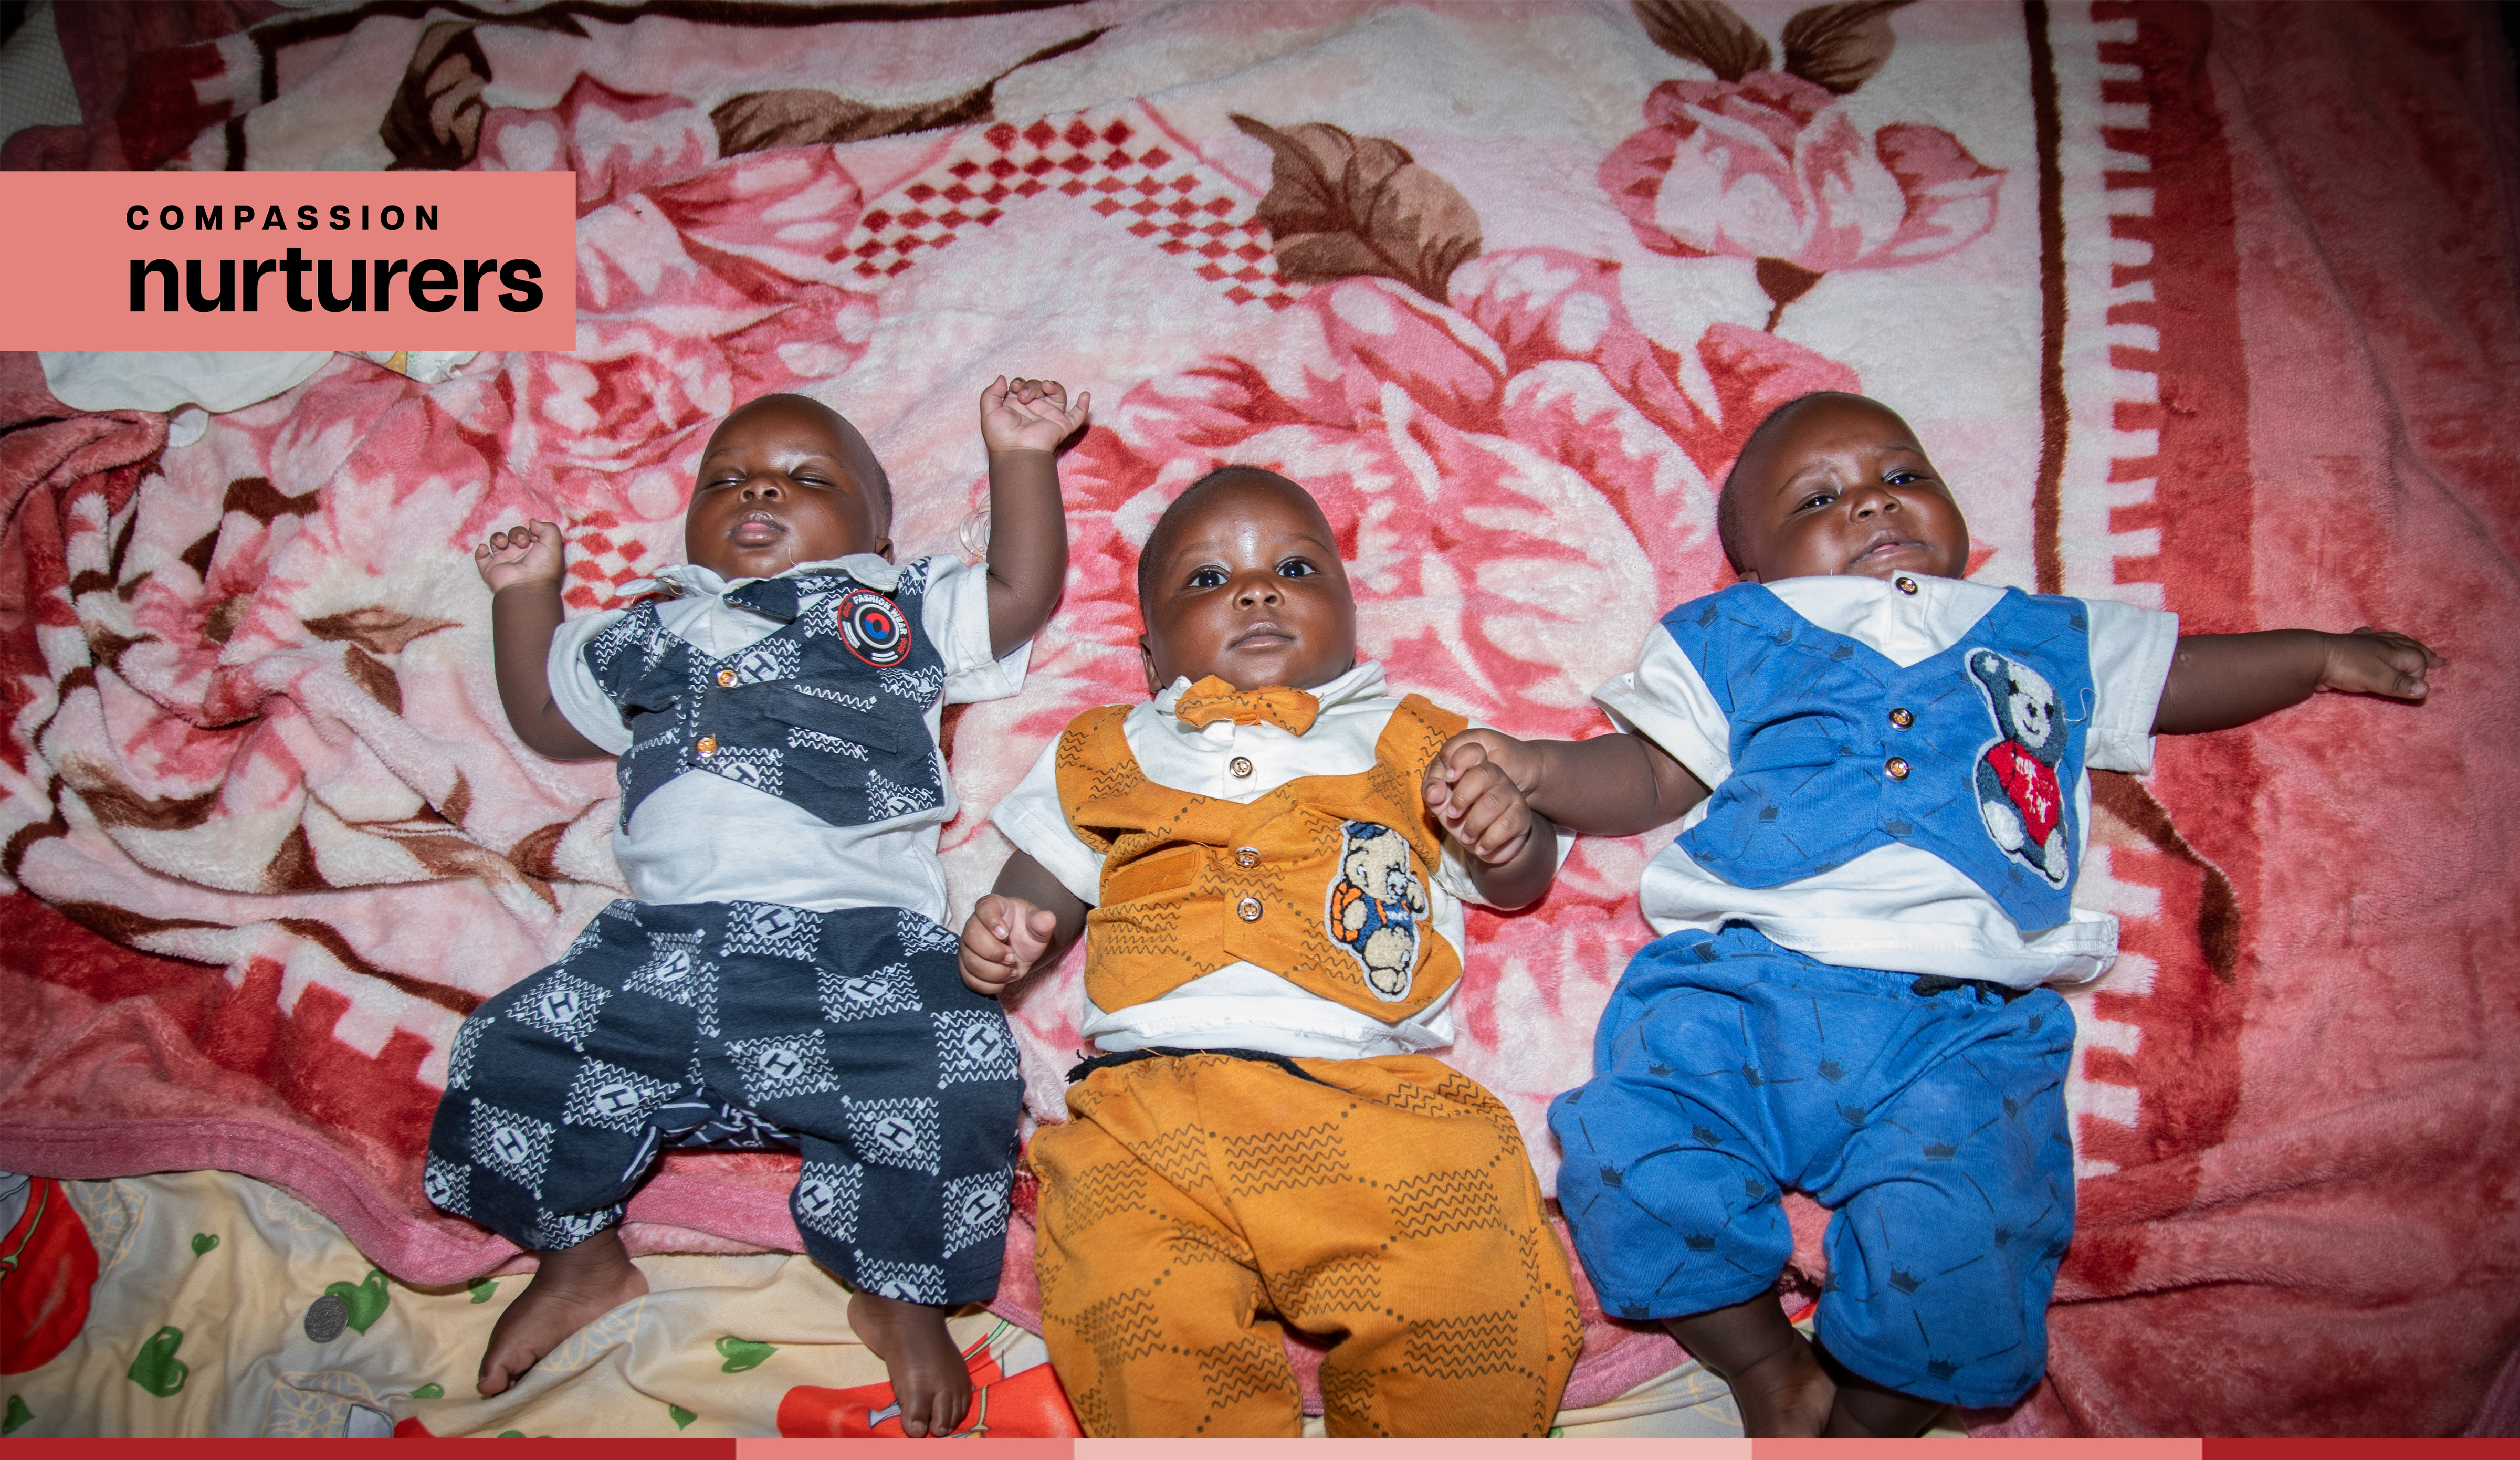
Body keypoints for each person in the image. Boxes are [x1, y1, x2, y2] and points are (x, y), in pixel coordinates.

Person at [1421, 392, 2440, 1436]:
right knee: (1626, 1151)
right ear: (1756, 566)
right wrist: (1541, 768)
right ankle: (1767, 1368)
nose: (1871, 503)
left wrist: (2316, 655)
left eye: (1901, 477)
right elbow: (1647, 775)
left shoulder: (2038, 632)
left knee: (1972, 1240)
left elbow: (2176, 673)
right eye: (1821, 497)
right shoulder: (1741, 634)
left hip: (1965, 1025)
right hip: (1741, 988)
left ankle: (1872, 1415)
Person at [427, 379, 1087, 1434]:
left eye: (807, 477)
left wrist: (1020, 455)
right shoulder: (650, 628)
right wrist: (528, 596)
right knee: (512, 1049)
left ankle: (900, 1290)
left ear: (875, 526)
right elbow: (550, 718)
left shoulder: (889, 607)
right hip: (661, 948)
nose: (760, 489)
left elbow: (1017, 589)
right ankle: (580, 1255)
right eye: (726, 478)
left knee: (956, 1068)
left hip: (862, 948)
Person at [960, 466, 1587, 1436]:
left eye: (1294, 566)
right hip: (1148, 1112)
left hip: (1375, 1100)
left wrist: (1512, 835)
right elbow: (1046, 874)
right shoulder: (1109, 745)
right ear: (1149, 653)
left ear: (1348, 613)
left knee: (1469, 1279)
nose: (1255, 590)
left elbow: (1516, 880)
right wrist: (1011, 925)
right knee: (1131, 1313)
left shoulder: (1411, 735)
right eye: (1206, 581)